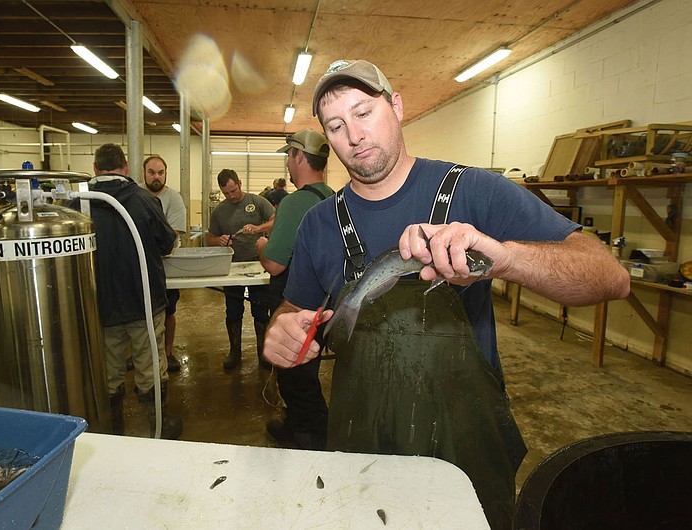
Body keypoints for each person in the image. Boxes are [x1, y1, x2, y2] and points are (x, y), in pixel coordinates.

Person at [262, 60, 630, 529]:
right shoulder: (318, 224)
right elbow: (296, 311)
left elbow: (611, 276)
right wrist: (281, 332)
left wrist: (508, 259)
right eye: (336, 125)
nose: (353, 135)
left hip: (464, 447)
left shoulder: (474, 191)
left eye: (364, 111)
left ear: (396, 107)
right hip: (362, 444)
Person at [70, 143, 183, 440]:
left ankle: (112, 431)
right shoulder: (145, 201)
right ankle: (158, 428)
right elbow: (167, 244)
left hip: (100, 304)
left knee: (108, 371)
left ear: (95, 168)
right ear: (127, 167)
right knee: (150, 366)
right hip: (143, 301)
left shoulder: (76, 205)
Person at [256, 129, 333, 450]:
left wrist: (261, 245)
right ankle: (302, 425)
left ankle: (308, 438)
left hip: (297, 306)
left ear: (299, 157)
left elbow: (274, 264)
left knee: (295, 378)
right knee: (307, 373)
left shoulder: (294, 201)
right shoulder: (334, 197)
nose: (288, 162)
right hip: (327, 303)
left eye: (289, 155)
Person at [207, 169, 275, 371]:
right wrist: (217, 240)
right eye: (226, 193)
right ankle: (234, 351)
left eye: (233, 191)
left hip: (258, 264)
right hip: (232, 267)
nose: (231, 196)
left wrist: (258, 228)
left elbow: (276, 220)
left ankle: (263, 351)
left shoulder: (258, 201)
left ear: (239, 183)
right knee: (233, 311)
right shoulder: (219, 211)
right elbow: (210, 237)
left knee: (261, 310)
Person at [143, 155, 187, 373]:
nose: (156, 177)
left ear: (166, 173)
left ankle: (168, 352)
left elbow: (172, 234)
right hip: (141, 265)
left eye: (160, 172)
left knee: (169, 311)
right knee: (142, 313)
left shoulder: (174, 199)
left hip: (167, 265)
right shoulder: (137, 197)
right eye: (152, 172)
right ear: (144, 173)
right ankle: (143, 354)